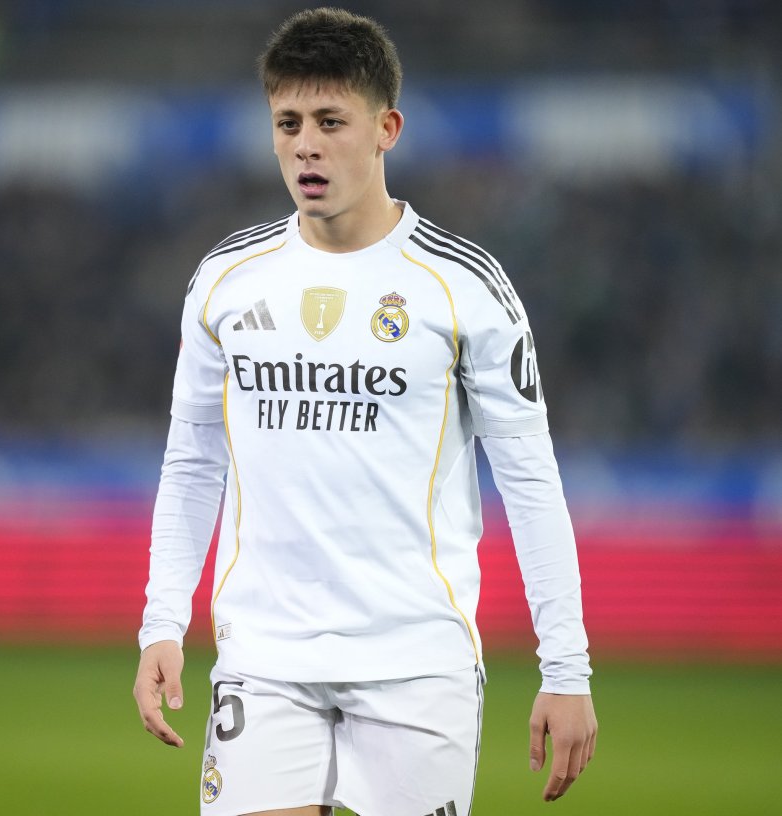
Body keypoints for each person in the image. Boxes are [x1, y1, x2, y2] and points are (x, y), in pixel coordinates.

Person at [133, 8, 597, 815]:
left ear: (387, 128)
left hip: (417, 661)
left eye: (330, 121)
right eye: (287, 122)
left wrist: (567, 671)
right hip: (265, 656)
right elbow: (193, 460)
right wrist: (160, 624)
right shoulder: (226, 280)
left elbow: (529, 481)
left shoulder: (466, 288)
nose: (305, 143)